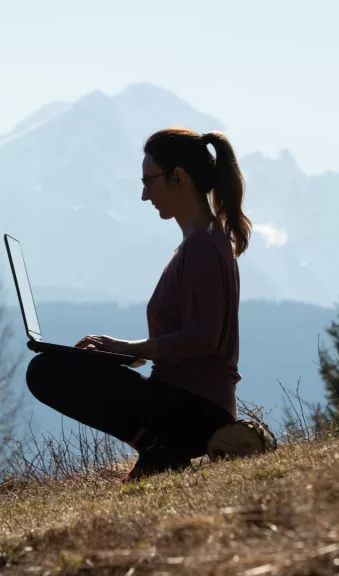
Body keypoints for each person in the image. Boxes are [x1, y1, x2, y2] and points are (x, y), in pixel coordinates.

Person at [24, 126, 273, 482]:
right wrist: (120, 354)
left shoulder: (204, 247)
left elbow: (201, 339)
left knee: (45, 371)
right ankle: (158, 449)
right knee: (56, 366)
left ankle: (161, 450)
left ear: (179, 178)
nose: (144, 195)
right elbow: (185, 340)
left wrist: (125, 347)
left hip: (197, 410)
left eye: (149, 181)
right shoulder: (198, 244)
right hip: (188, 402)